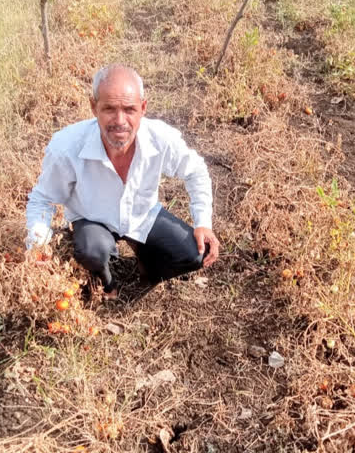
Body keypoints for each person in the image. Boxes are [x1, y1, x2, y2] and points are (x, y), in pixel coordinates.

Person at [25, 64, 220, 297]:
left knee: (197, 252)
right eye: (109, 109)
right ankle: (105, 282)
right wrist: (39, 246)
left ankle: (147, 265)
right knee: (92, 249)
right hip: (93, 220)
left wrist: (203, 222)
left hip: (141, 215)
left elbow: (196, 171)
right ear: (93, 106)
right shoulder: (67, 147)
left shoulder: (160, 138)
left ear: (143, 108)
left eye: (129, 109)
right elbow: (42, 199)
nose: (120, 121)